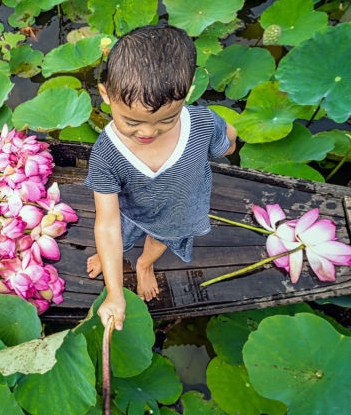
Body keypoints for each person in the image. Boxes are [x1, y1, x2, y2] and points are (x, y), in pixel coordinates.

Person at [85, 26, 237, 330]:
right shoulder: (106, 153)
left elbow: (228, 139)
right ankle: (110, 259)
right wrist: (115, 294)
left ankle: (144, 264)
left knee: (160, 240)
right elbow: (107, 222)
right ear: (106, 94)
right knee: (118, 237)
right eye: (131, 121)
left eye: (166, 119)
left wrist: (227, 145)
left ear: (189, 90)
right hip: (130, 210)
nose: (147, 133)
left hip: (177, 210)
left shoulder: (203, 122)